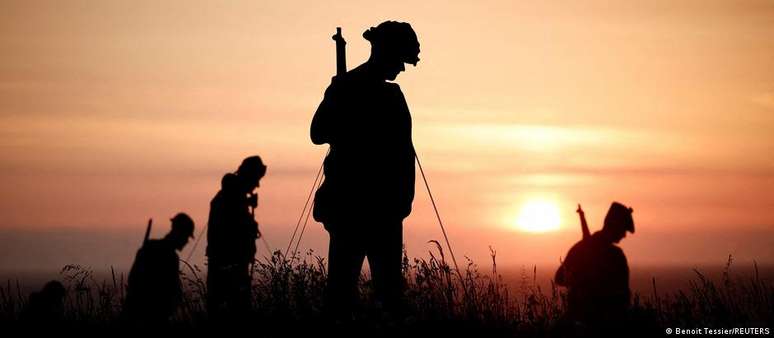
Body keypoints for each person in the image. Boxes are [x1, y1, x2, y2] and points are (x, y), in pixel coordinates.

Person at [310, 20, 420, 319]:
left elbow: (402, 154)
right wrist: (342, 111)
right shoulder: (346, 88)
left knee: (387, 295)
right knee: (342, 296)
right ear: (385, 53)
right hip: (352, 209)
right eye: (400, 60)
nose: (402, 68)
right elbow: (318, 133)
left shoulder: (389, 95)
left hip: (385, 210)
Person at [554, 202, 635, 335]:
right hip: (595, 324)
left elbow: (623, 296)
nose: (624, 235)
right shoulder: (616, 256)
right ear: (615, 226)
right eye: (623, 229)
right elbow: (559, 278)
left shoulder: (581, 248)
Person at [206, 156, 266, 322]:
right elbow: (235, 224)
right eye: (256, 179)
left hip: (229, 262)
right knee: (235, 311)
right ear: (249, 176)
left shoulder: (232, 196)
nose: (257, 185)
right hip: (230, 264)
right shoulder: (232, 197)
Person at [123, 213, 195, 327]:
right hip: (153, 317)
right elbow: (170, 289)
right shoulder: (170, 257)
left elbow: (133, 279)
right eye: (186, 236)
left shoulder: (149, 247)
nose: (187, 241)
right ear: (179, 233)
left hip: (136, 314)